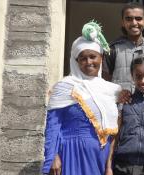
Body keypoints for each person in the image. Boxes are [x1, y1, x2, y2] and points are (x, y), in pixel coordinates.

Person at [42, 21, 121, 175]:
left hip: (99, 156)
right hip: (71, 153)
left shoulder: (110, 89)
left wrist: (108, 165)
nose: (88, 62)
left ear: (101, 58)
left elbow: (112, 132)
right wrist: (53, 156)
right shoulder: (64, 87)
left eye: (93, 57)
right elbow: (53, 125)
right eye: (83, 58)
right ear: (76, 61)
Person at [102, 2, 144, 92]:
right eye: (129, 19)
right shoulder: (112, 50)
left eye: (138, 19)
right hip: (118, 105)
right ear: (123, 22)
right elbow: (104, 82)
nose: (134, 23)